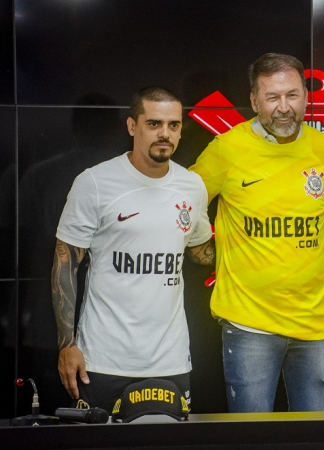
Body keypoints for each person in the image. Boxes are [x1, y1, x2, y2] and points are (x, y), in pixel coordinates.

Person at [189, 53, 324, 413]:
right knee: (250, 440)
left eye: (293, 95)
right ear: (254, 101)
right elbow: (181, 206)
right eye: (272, 98)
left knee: (318, 440)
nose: (284, 108)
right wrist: (202, 248)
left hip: (316, 327)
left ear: (305, 95)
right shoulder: (226, 150)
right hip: (248, 326)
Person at [52, 87, 215, 413]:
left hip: (170, 360)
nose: (164, 134)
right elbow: (65, 265)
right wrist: (67, 345)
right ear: (132, 126)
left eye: (173, 125)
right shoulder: (95, 183)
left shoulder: (192, 186)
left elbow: (201, 252)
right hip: (103, 359)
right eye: (154, 124)